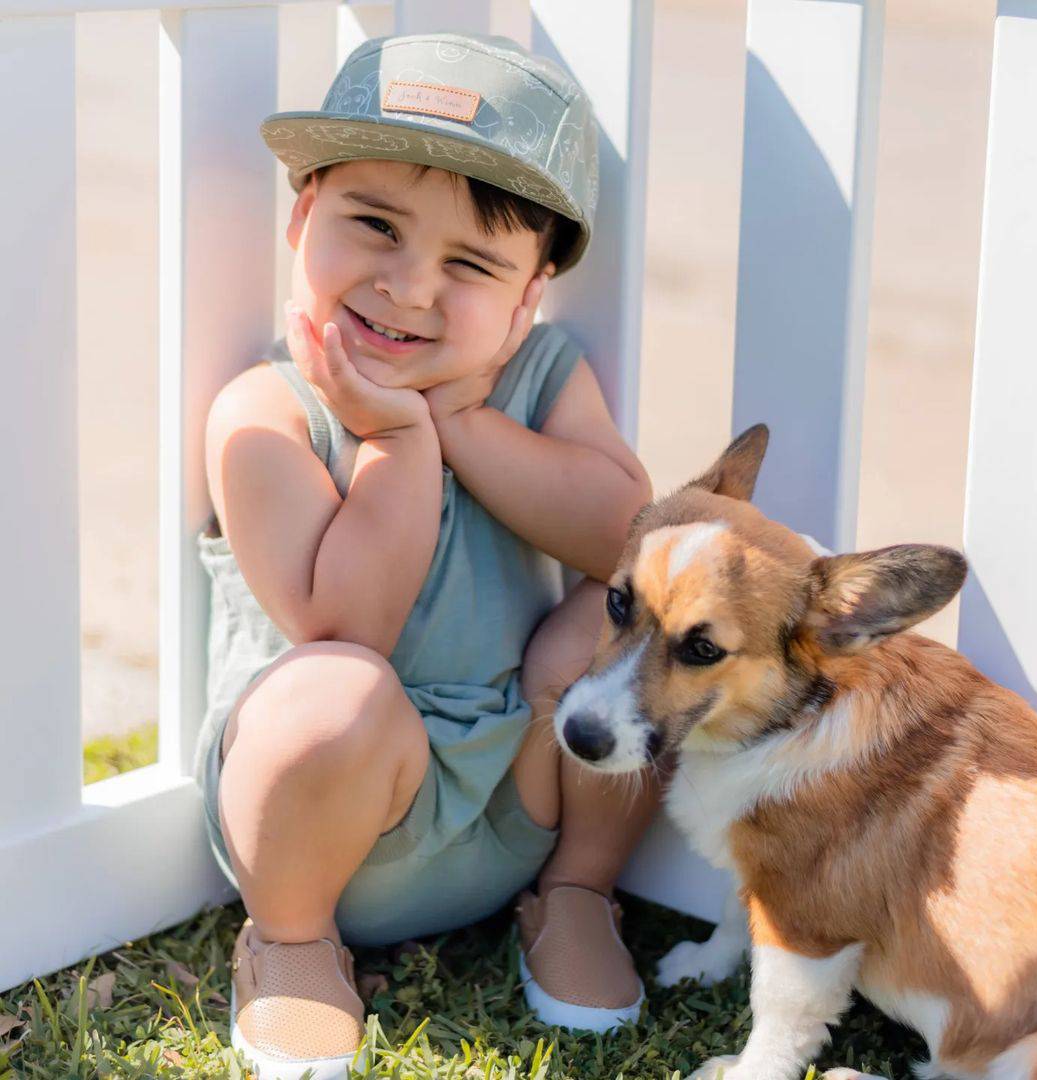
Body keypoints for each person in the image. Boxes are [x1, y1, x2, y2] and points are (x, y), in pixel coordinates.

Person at [192, 31, 658, 1079]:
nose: (409, 289)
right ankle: (293, 947)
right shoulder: (267, 414)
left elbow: (622, 536)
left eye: (471, 265)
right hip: (332, 833)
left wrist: (466, 421)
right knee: (335, 694)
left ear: (527, 298)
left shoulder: (536, 375)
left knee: (633, 619)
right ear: (304, 218)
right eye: (375, 226)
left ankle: (579, 894)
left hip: (517, 797)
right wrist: (398, 438)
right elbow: (348, 629)